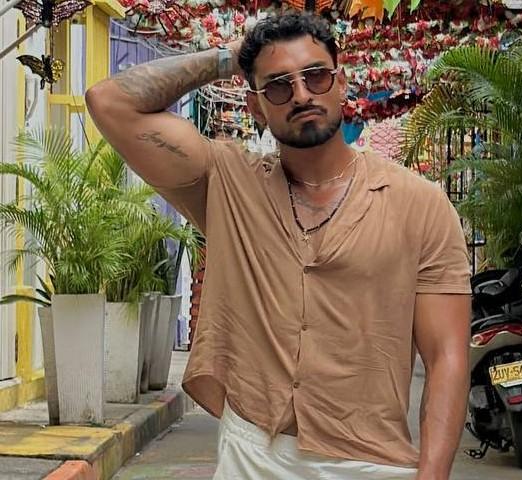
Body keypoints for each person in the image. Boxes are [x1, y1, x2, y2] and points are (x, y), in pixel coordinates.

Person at [86, 11, 471, 480]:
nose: (302, 95)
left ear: (341, 83)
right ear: (255, 107)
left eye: (316, 76)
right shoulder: (228, 183)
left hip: (370, 462)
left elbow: (447, 356)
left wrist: (433, 475)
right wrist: (231, 58)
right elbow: (110, 102)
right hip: (254, 454)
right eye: (278, 86)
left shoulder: (419, 203)